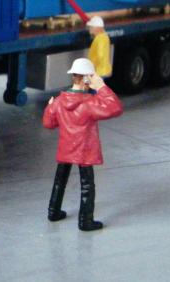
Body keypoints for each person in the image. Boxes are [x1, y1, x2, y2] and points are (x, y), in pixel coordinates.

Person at [42, 57, 123, 231]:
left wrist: (49, 108)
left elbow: (48, 124)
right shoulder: (89, 103)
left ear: (73, 76)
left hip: (66, 149)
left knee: (59, 181)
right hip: (84, 151)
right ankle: (85, 221)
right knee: (87, 186)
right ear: (87, 78)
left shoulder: (59, 101)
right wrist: (101, 87)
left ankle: (53, 212)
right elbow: (115, 107)